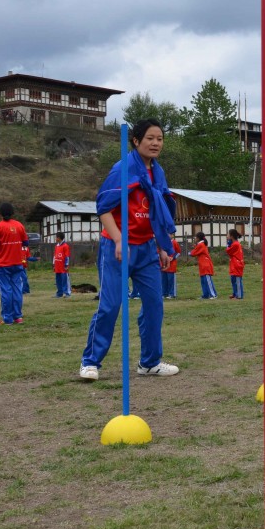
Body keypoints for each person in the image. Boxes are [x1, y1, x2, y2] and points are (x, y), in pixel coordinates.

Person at [79, 118, 179, 380]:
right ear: (136, 140)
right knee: (110, 305)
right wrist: (118, 239)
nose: (156, 143)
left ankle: (149, 362)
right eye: (150, 138)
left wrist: (162, 246)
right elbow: (103, 208)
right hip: (117, 247)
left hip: (147, 248)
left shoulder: (158, 172)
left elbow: (158, 212)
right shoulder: (123, 168)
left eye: (159, 138)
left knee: (155, 304)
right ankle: (90, 362)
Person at [0, 203, 29, 324]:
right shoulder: (19, 225)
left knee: (6, 290)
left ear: (0, 214)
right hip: (17, 263)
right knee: (17, 289)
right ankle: (18, 316)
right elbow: (26, 243)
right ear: (13, 213)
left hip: (3, 264)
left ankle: (7, 318)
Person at [190, 232, 217, 299]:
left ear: (198, 238)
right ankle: (206, 295)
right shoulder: (200, 244)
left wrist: (190, 252)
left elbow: (193, 253)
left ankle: (213, 294)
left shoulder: (201, 244)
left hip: (206, 265)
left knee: (207, 280)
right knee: (203, 281)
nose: (195, 239)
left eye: (196, 237)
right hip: (202, 264)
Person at [226, 229, 245, 299]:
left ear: (231, 236)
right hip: (234, 264)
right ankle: (235, 293)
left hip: (237, 265)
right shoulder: (234, 244)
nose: (227, 236)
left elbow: (228, 251)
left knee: (237, 281)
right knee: (233, 280)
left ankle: (239, 295)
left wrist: (228, 245)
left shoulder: (236, 244)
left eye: (228, 234)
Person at [162, 235, 180, 299]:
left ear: (172, 235)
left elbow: (178, 252)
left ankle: (172, 294)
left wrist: (173, 257)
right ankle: (164, 293)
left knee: (171, 280)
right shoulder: (163, 242)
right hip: (163, 265)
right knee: (164, 280)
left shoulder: (174, 242)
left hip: (172, 265)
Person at [53, 232, 71, 297]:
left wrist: (66, 265)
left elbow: (67, 256)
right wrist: (54, 264)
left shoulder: (65, 246)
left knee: (65, 280)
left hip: (63, 267)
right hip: (57, 266)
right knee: (58, 280)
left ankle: (67, 293)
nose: (55, 238)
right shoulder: (56, 246)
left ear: (59, 238)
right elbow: (55, 256)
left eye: (56, 237)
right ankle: (59, 293)